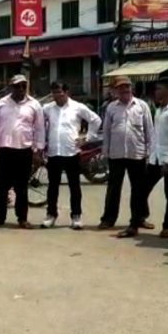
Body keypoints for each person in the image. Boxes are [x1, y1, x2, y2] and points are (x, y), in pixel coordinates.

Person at [0, 74, 45, 229]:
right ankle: (0, 217)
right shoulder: (2, 103)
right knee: (2, 187)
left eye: (23, 85)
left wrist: (38, 151)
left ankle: (22, 218)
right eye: (17, 86)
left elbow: (40, 129)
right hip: (5, 150)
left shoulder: (34, 104)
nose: (21, 89)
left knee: (22, 188)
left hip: (24, 151)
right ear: (11, 87)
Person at [98, 76, 154, 238]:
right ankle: (108, 219)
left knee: (138, 189)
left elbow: (149, 130)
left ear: (132, 88)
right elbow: (106, 131)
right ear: (116, 90)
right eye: (121, 87)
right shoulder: (111, 108)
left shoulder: (142, 106)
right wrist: (105, 151)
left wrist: (150, 152)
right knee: (113, 188)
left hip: (137, 153)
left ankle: (139, 218)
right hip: (116, 154)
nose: (125, 90)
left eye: (127, 87)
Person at [41, 81, 101, 230]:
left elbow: (95, 120)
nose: (56, 96)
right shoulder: (47, 108)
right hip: (54, 152)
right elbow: (38, 123)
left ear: (66, 92)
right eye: (54, 93)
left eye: (59, 92)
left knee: (74, 186)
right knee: (52, 187)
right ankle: (51, 215)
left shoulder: (78, 107)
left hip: (71, 152)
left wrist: (87, 137)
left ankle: (76, 216)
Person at [143, 78, 168, 238]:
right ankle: (139, 218)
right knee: (142, 189)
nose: (156, 92)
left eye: (159, 89)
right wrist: (149, 154)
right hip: (155, 157)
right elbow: (155, 135)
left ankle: (167, 226)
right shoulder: (159, 110)